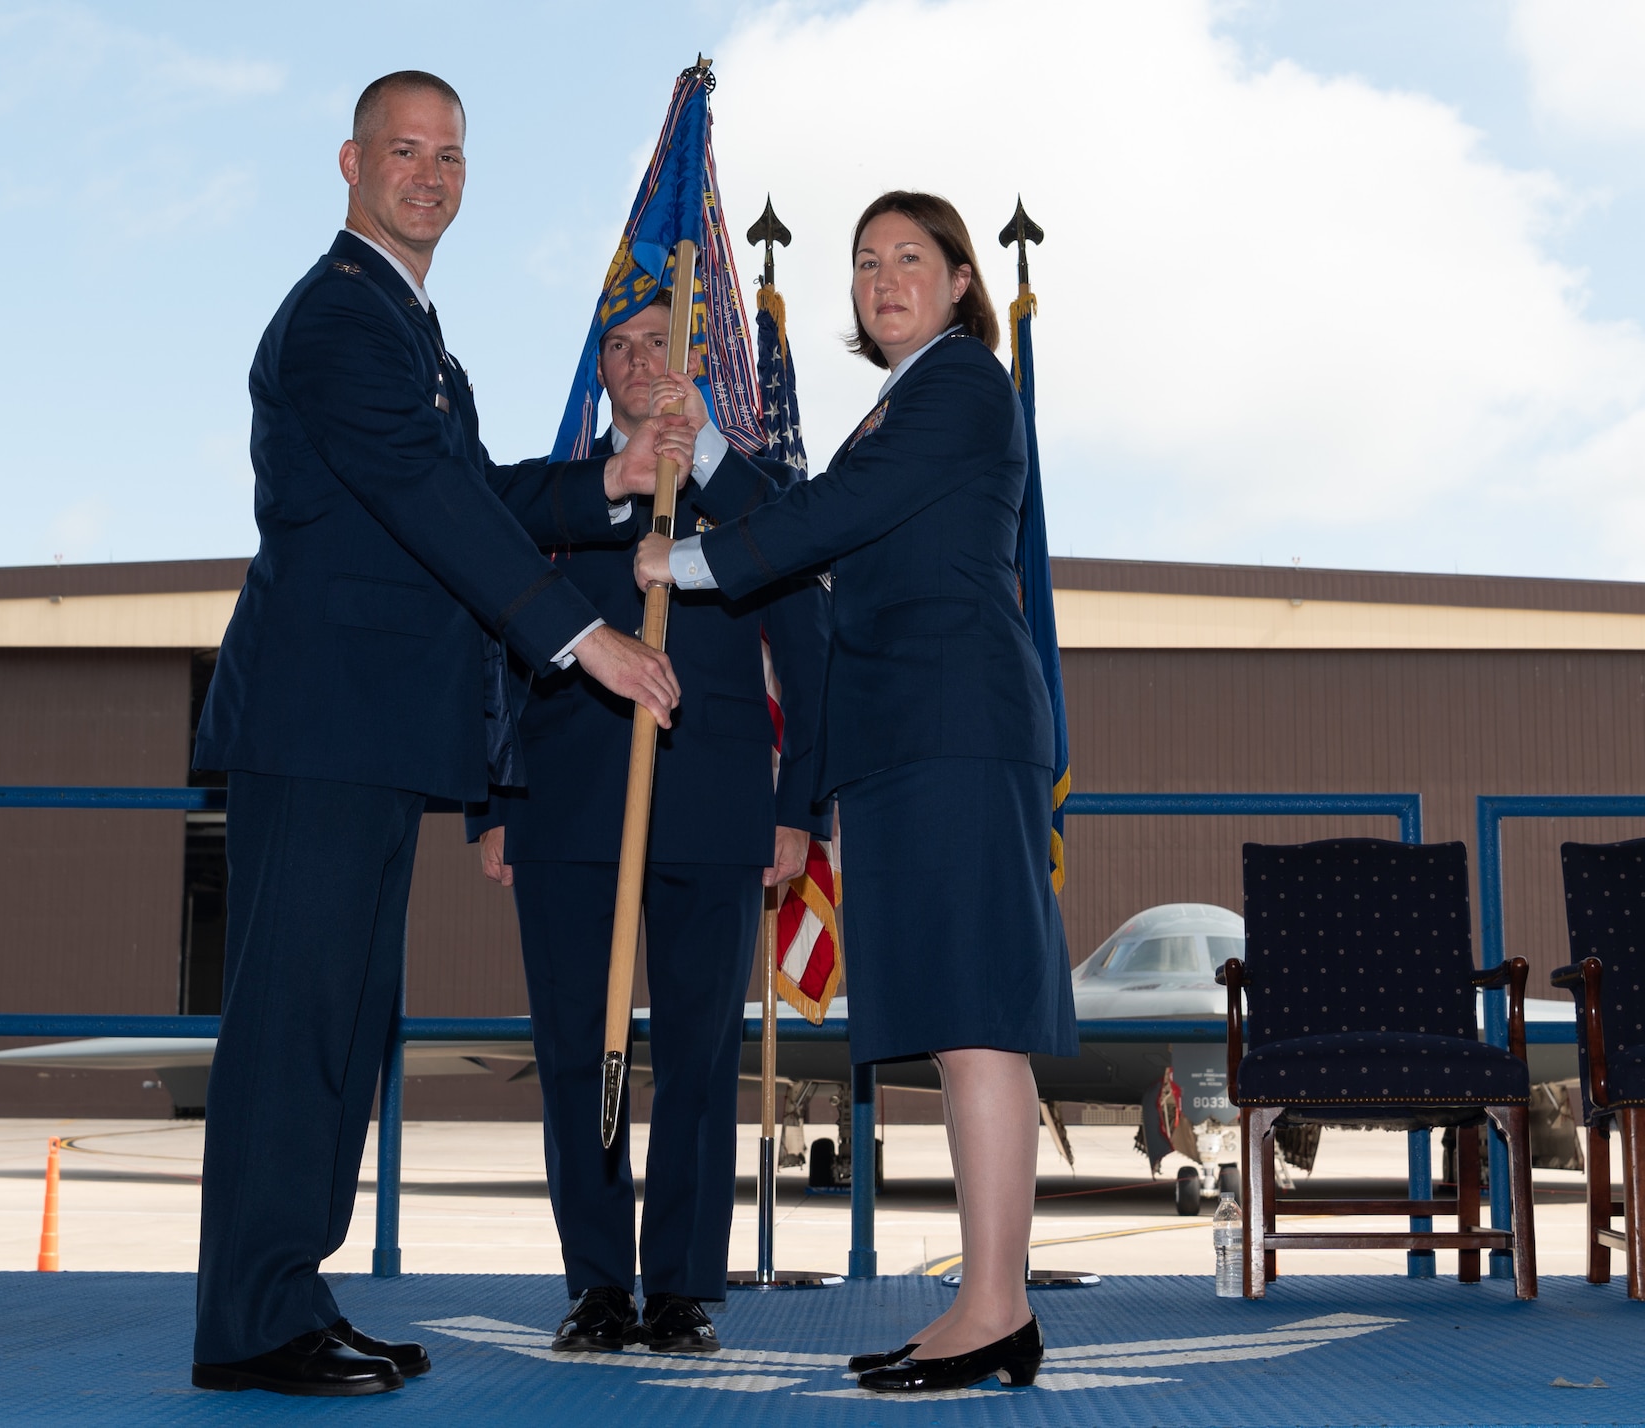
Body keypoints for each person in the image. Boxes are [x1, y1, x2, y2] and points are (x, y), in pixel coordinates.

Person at [188, 70, 697, 1399]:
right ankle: (251, 1320)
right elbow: (427, 497)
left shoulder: (408, 328)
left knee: (346, 1026)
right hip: (317, 727)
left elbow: (473, 489)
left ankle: (286, 1295)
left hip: (367, 735)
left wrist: (609, 479)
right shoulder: (343, 319)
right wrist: (582, 639)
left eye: (450, 156)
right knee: (296, 1023)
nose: (429, 176)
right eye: (404, 151)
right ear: (349, 163)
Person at [635, 191, 1077, 1395]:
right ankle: (987, 1306)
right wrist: (715, 455)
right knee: (952, 1018)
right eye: (864, 261)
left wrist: (680, 560)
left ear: (956, 282)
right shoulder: (900, 404)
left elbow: (829, 522)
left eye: (909, 259)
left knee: (974, 1014)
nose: (882, 278)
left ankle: (994, 1307)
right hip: (907, 745)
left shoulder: (962, 386)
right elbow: (809, 510)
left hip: (954, 734)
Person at [468, 292, 830, 1356]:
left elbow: (809, 658)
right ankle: (596, 1284)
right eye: (616, 347)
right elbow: (491, 640)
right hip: (566, 806)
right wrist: (493, 804)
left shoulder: (748, 499)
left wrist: (797, 809)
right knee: (576, 1051)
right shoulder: (547, 497)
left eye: (656, 344)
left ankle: (676, 1285)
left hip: (717, 810)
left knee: (700, 1057)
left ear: (695, 364)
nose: (634, 361)